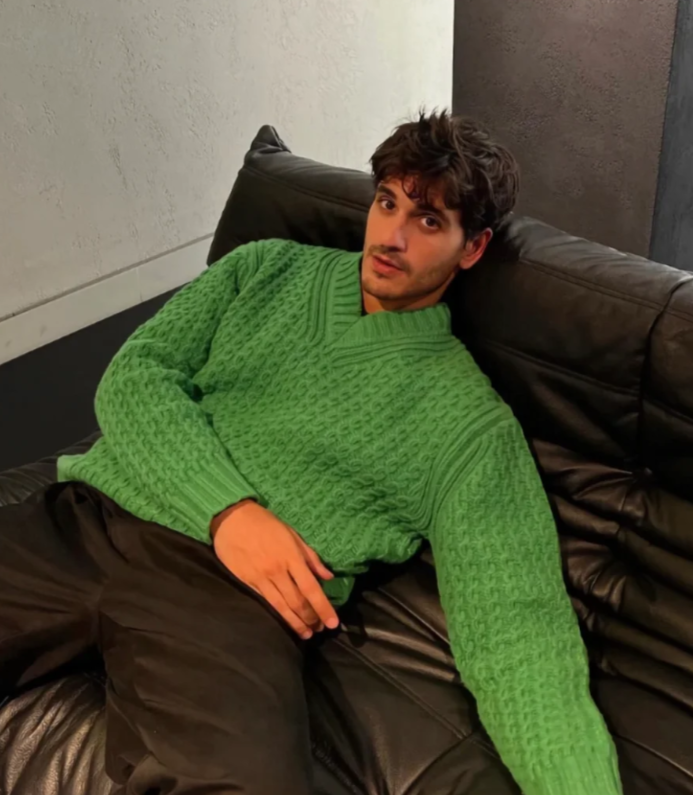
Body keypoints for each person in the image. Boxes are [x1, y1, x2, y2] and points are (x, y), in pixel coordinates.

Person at [0, 110, 623, 795]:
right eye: (387, 202)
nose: (392, 235)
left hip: (225, 605)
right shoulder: (263, 268)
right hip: (92, 518)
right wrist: (228, 511)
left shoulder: (469, 428)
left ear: (470, 248)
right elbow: (134, 377)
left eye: (428, 220)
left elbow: (517, 633)